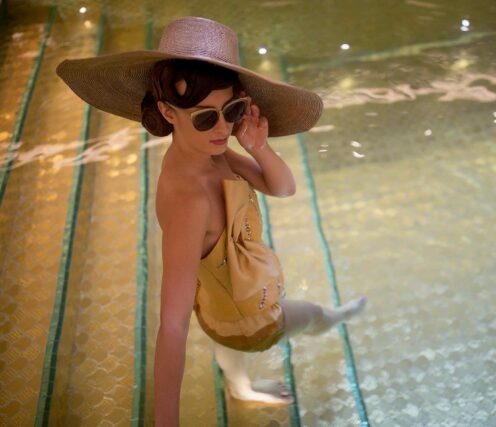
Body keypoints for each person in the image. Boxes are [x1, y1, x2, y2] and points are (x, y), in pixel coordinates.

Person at [57, 16, 367, 425]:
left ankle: (240, 386)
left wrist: (258, 147)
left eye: (232, 111)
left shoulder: (207, 152)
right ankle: (335, 318)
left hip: (219, 306)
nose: (223, 128)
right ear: (167, 112)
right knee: (311, 316)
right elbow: (172, 324)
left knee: (227, 337)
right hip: (248, 314)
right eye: (205, 117)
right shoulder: (189, 200)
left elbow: (283, 188)